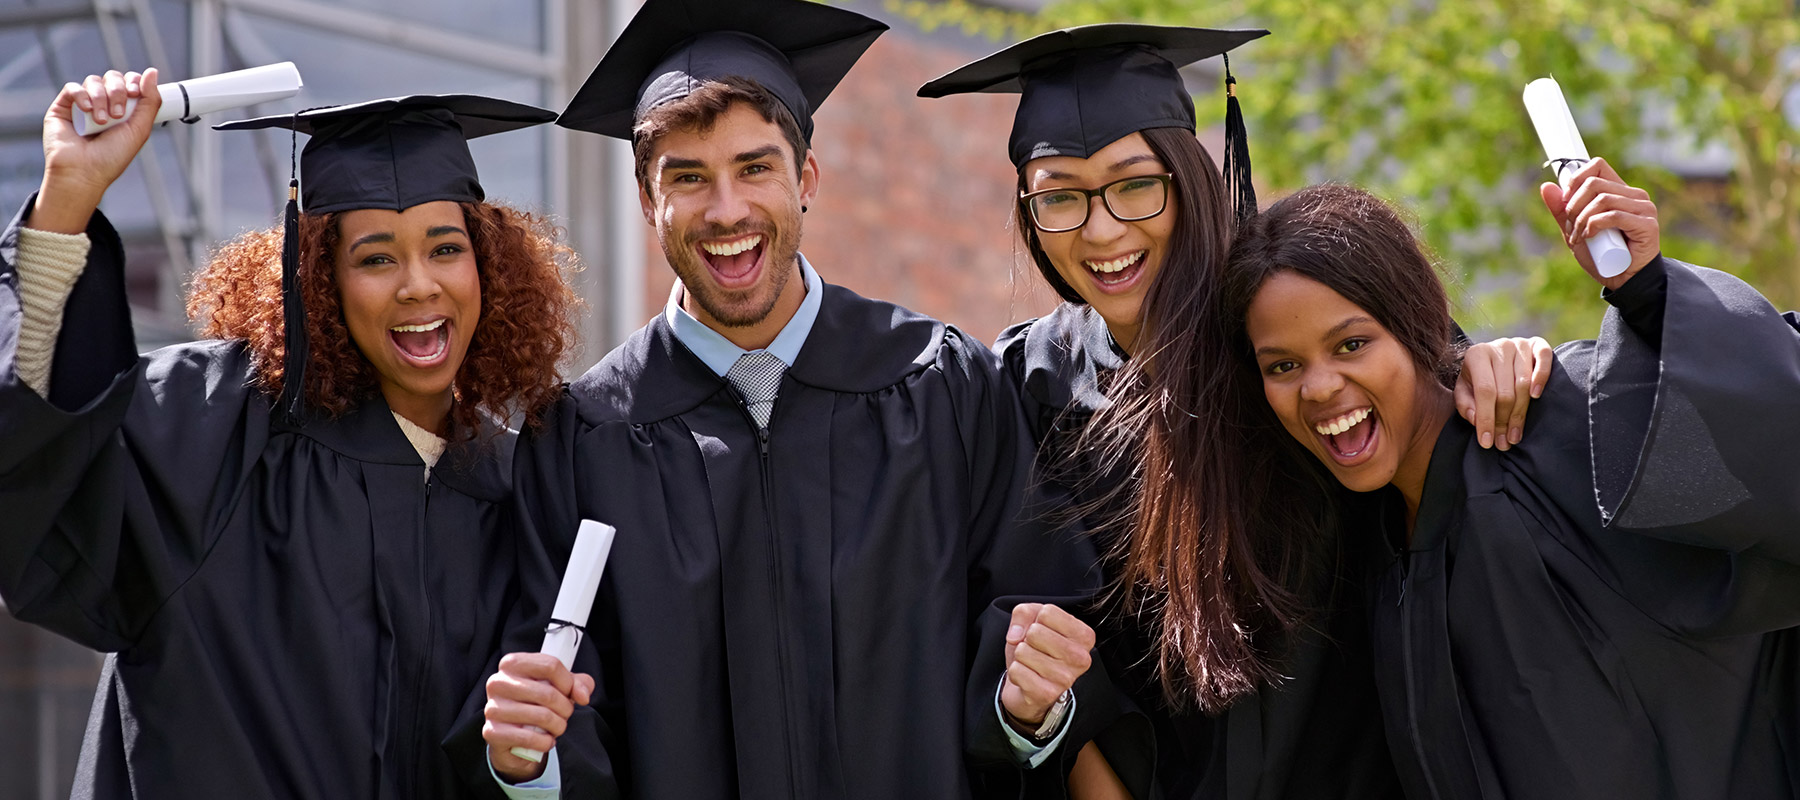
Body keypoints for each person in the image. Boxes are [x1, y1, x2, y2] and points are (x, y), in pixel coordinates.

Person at [481, 0, 1102, 796]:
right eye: (689, 178)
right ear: (647, 200)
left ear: (805, 178)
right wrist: (526, 762)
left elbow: (1032, 629)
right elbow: (556, 706)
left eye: (754, 168)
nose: (728, 210)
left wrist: (1029, 708)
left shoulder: (944, 386)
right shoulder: (580, 439)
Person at [922, 23, 1554, 799]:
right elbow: (1028, 627)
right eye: (1060, 197)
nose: (1102, 229)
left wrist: (1492, 363)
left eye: (1134, 184)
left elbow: (1430, 423)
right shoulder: (1026, 384)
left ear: (1187, 177)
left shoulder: (1287, 320)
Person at [0, 72, 591, 798]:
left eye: (446, 248)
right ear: (320, 281)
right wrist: (68, 198)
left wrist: (522, 768)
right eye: (375, 257)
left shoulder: (514, 489)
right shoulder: (215, 431)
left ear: (489, 267)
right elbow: (35, 468)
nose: (417, 285)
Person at [1187, 165, 1799, 798]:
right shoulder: (1360, 542)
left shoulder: (1563, 426)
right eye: (1283, 365)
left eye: (1351, 345)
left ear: (1416, 325)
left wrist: (1648, 294)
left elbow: (1770, 449)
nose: (1317, 387)